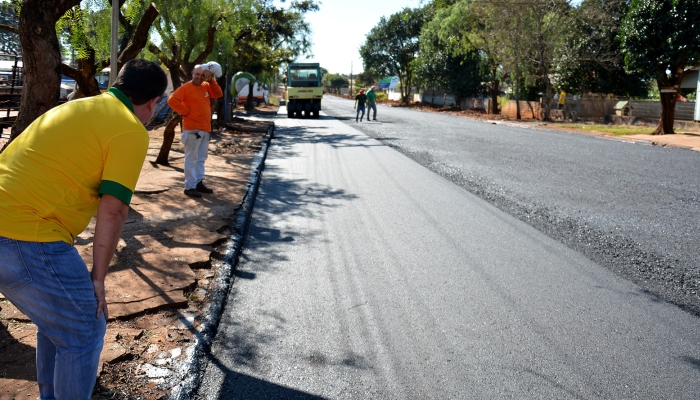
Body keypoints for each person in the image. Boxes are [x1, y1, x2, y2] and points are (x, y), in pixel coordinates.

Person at [0, 59, 167, 399]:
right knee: (87, 329)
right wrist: (98, 278)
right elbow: (114, 209)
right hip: (28, 236)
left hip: (13, 227)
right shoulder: (130, 129)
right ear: (153, 102)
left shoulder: (79, 107)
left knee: (60, 326)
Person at [168, 62, 223, 197]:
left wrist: (211, 79)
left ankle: (198, 182)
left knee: (201, 158)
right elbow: (171, 100)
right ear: (192, 74)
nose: (199, 77)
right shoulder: (186, 88)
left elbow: (218, 94)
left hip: (205, 129)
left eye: (202, 75)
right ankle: (189, 186)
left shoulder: (206, 86)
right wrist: (185, 111)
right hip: (192, 129)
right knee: (191, 158)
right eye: (197, 74)